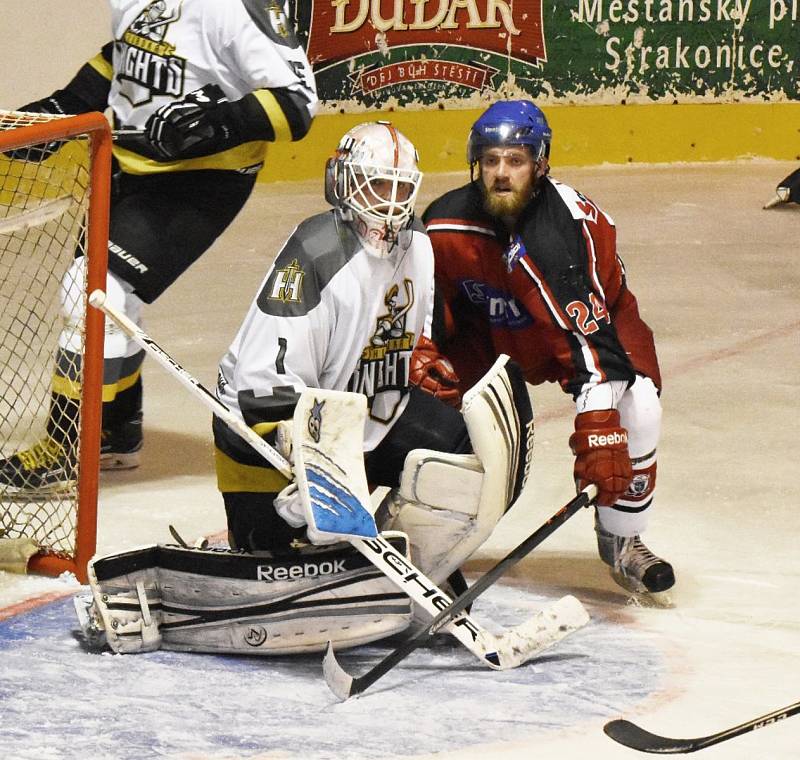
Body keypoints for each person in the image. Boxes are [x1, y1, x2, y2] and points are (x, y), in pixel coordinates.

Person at [74, 122, 536, 657]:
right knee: (284, 557)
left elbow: (407, 329)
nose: (388, 202)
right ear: (344, 182)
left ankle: (407, 570)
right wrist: (311, 462)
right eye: (374, 185)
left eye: (398, 187)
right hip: (265, 431)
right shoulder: (315, 254)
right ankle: (262, 547)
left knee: (463, 448)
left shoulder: (420, 249)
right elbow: (258, 387)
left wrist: (418, 359)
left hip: (364, 416)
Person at [0, 0, 317, 491]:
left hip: (204, 179)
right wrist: (62, 108)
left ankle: (66, 449)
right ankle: (115, 430)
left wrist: (218, 123)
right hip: (129, 171)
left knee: (92, 289)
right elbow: (123, 55)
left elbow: (298, 104)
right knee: (110, 303)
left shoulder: (234, 8)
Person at [419, 100, 676, 603]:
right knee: (425, 406)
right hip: (491, 334)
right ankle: (423, 537)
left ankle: (622, 538)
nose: (500, 173)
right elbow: (426, 306)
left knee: (638, 408)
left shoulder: (565, 231)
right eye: (490, 160)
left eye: (514, 160)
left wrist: (600, 429)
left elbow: (589, 342)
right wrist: (426, 354)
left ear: (539, 164)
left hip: (592, 326)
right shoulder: (444, 224)